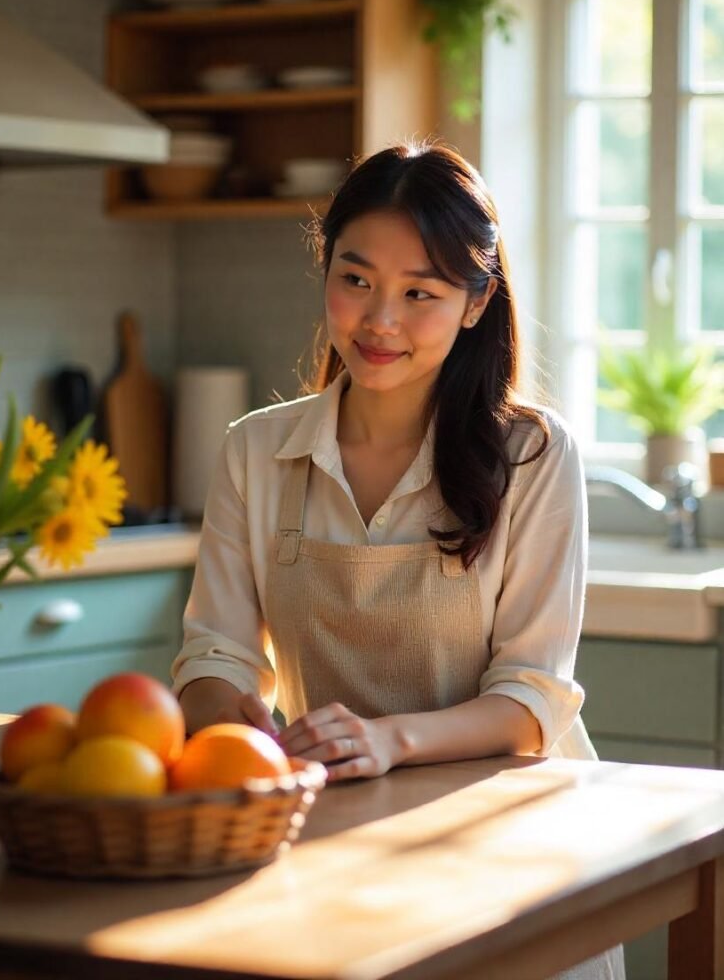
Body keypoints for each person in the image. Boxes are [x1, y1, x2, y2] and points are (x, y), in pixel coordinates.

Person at [171, 141, 625, 980]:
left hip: (516, 852)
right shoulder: (255, 450)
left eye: (420, 293)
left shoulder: (531, 455)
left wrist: (387, 741)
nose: (379, 321)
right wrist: (240, 729)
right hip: (337, 843)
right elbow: (217, 655)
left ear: (476, 301)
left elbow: (533, 701)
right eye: (356, 279)